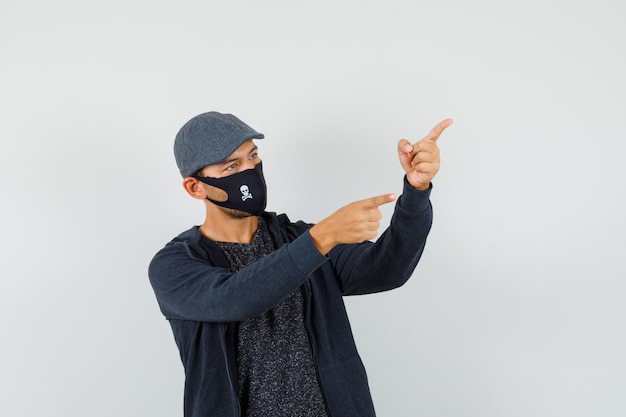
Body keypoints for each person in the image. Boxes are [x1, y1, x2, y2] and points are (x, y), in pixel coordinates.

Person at [148, 111, 452, 417]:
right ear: (195, 187)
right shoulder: (174, 265)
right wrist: (322, 237)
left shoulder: (302, 240)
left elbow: (388, 268)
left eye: (253, 156)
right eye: (232, 165)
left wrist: (416, 194)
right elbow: (235, 298)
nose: (250, 169)